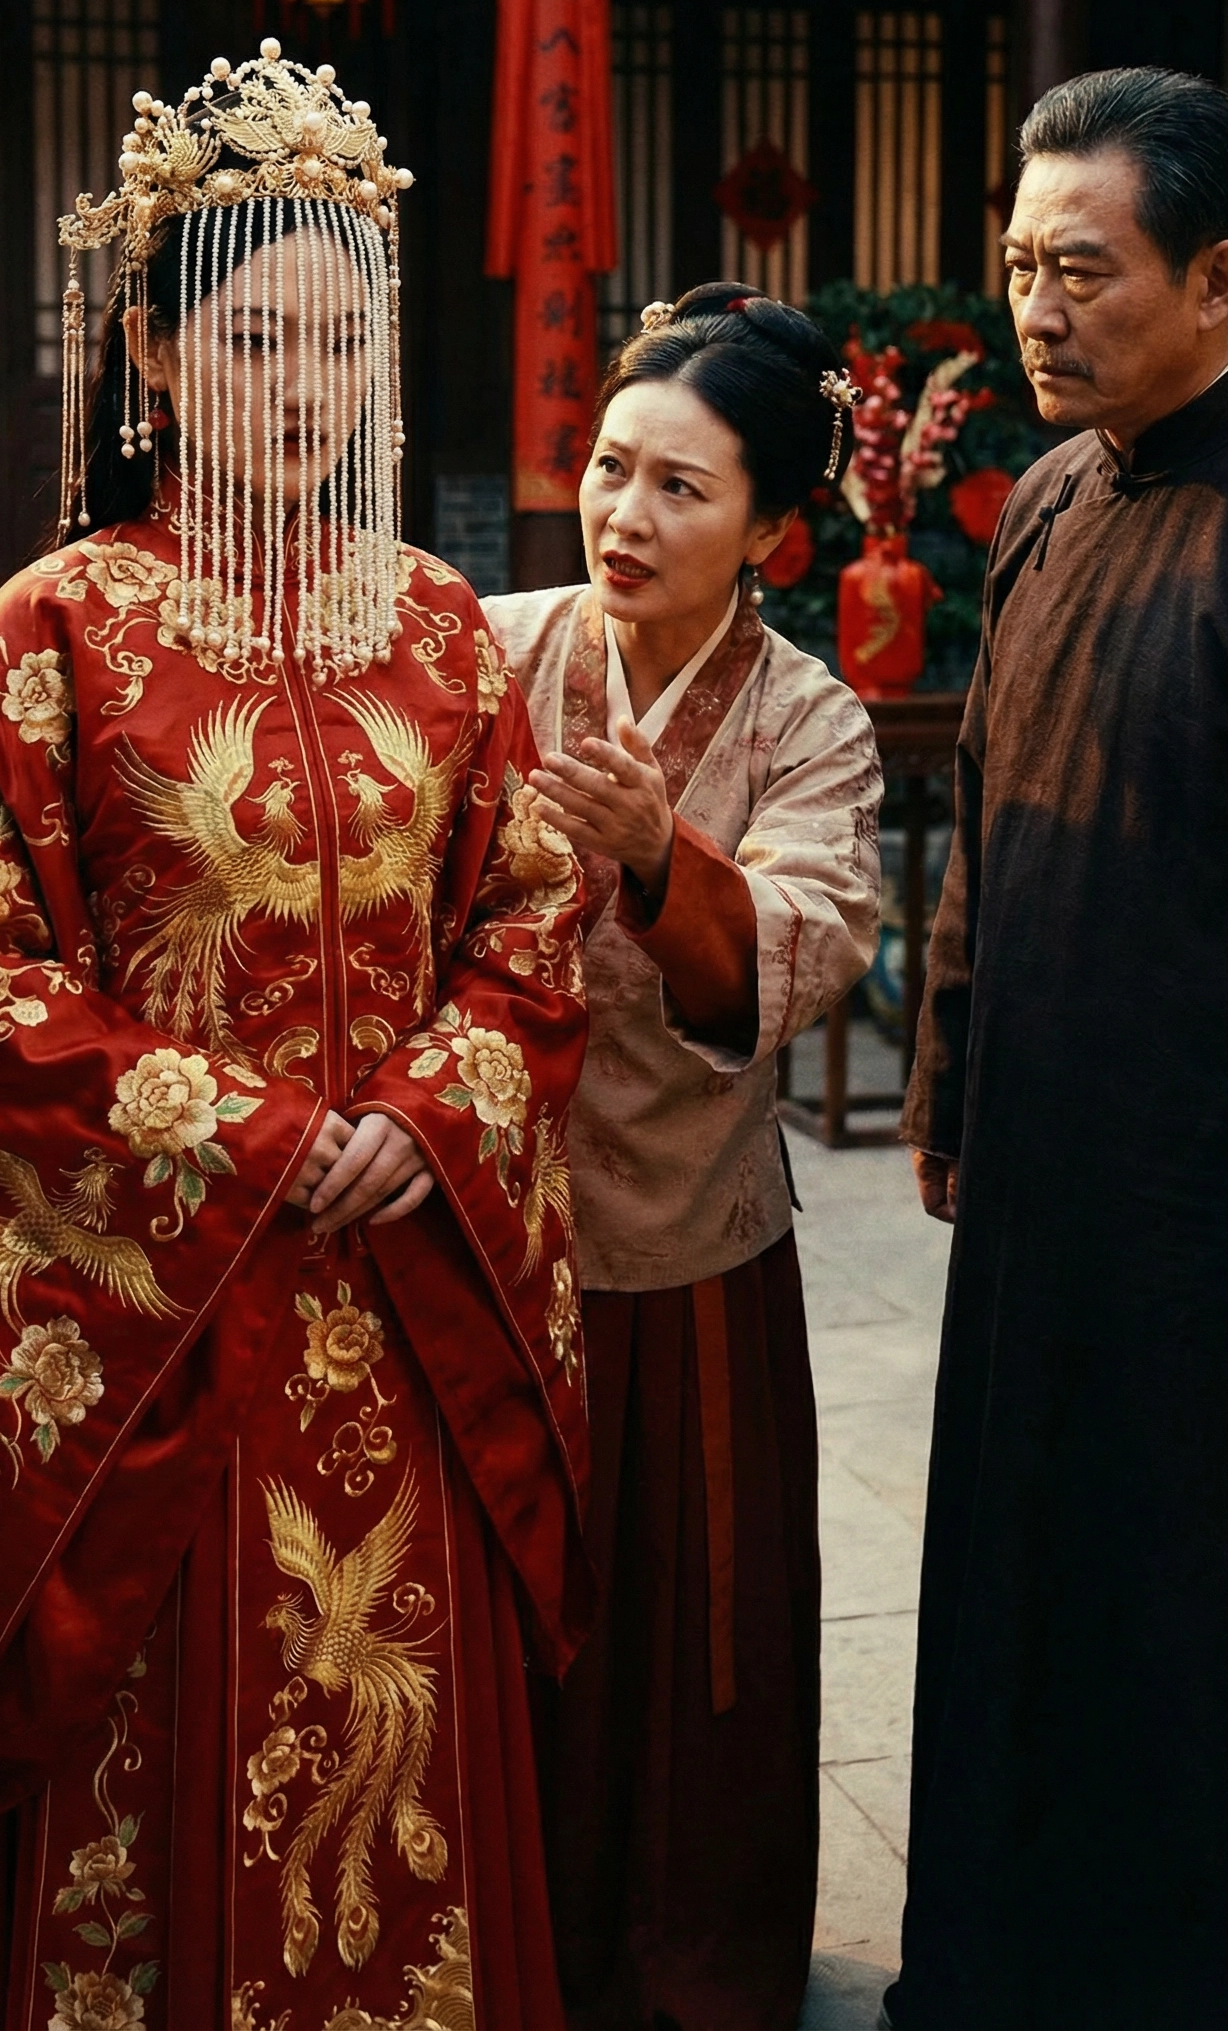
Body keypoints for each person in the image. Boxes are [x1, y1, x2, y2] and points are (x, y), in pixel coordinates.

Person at [0, 41, 593, 2031]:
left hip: (406, 1298)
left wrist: (432, 1105)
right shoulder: (54, 630)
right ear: (153, 353)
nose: (304, 389)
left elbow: (532, 912)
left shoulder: (442, 626)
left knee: (399, 1752)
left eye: (340, 345)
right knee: (168, 1757)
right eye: (255, 341)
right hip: (170, 1329)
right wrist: (243, 1131)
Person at [888, 68, 1228, 2031]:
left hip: (1225, 1209)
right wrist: (949, 1073)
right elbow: (989, 819)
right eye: (1020, 266)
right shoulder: (1054, 498)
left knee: (1211, 1636)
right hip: (1047, 1187)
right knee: (1026, 1591)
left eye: (1082, 270)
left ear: (1218, 274)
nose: (1036, 310)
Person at [483, 283, 883, 2031]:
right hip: (489, 1231)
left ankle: (684, 1966)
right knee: (496, 1611)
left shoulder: (809, 723)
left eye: (681, 488)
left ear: (771, 531)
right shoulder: (484, 652)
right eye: (610, 467)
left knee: (687, 1636)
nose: (624, 516)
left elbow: (809, 938)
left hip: (691, 1248)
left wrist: (665, 859)